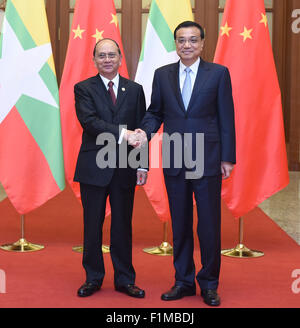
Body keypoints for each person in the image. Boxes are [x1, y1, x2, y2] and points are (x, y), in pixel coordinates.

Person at [134, 21, 236, 306]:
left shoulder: (218, 74)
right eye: (181, 40)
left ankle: (209, 283)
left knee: (208, 224)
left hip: (209, 157)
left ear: (202, 43)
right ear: (175, 44)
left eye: (193, 40)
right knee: (180, 222)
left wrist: (228, 156)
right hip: (176, 157)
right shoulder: (162, 75)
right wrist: (144, 133)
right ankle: (183, 281)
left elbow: (226, 116)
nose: (187, 45)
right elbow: (155, 113)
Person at [74, 38, 147, 298]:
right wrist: (123, 134)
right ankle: (93, 278)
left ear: (120, 58)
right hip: (94, 167)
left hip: (125, 167)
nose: (107, 59)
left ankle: (125, 279)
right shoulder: (83, 88)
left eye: (111, 55)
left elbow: (142, 129)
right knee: (92, 225)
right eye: (101, 55)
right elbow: (90, 122)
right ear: (94, 60)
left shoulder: (135, 89)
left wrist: (143, 165)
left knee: (122, 225)